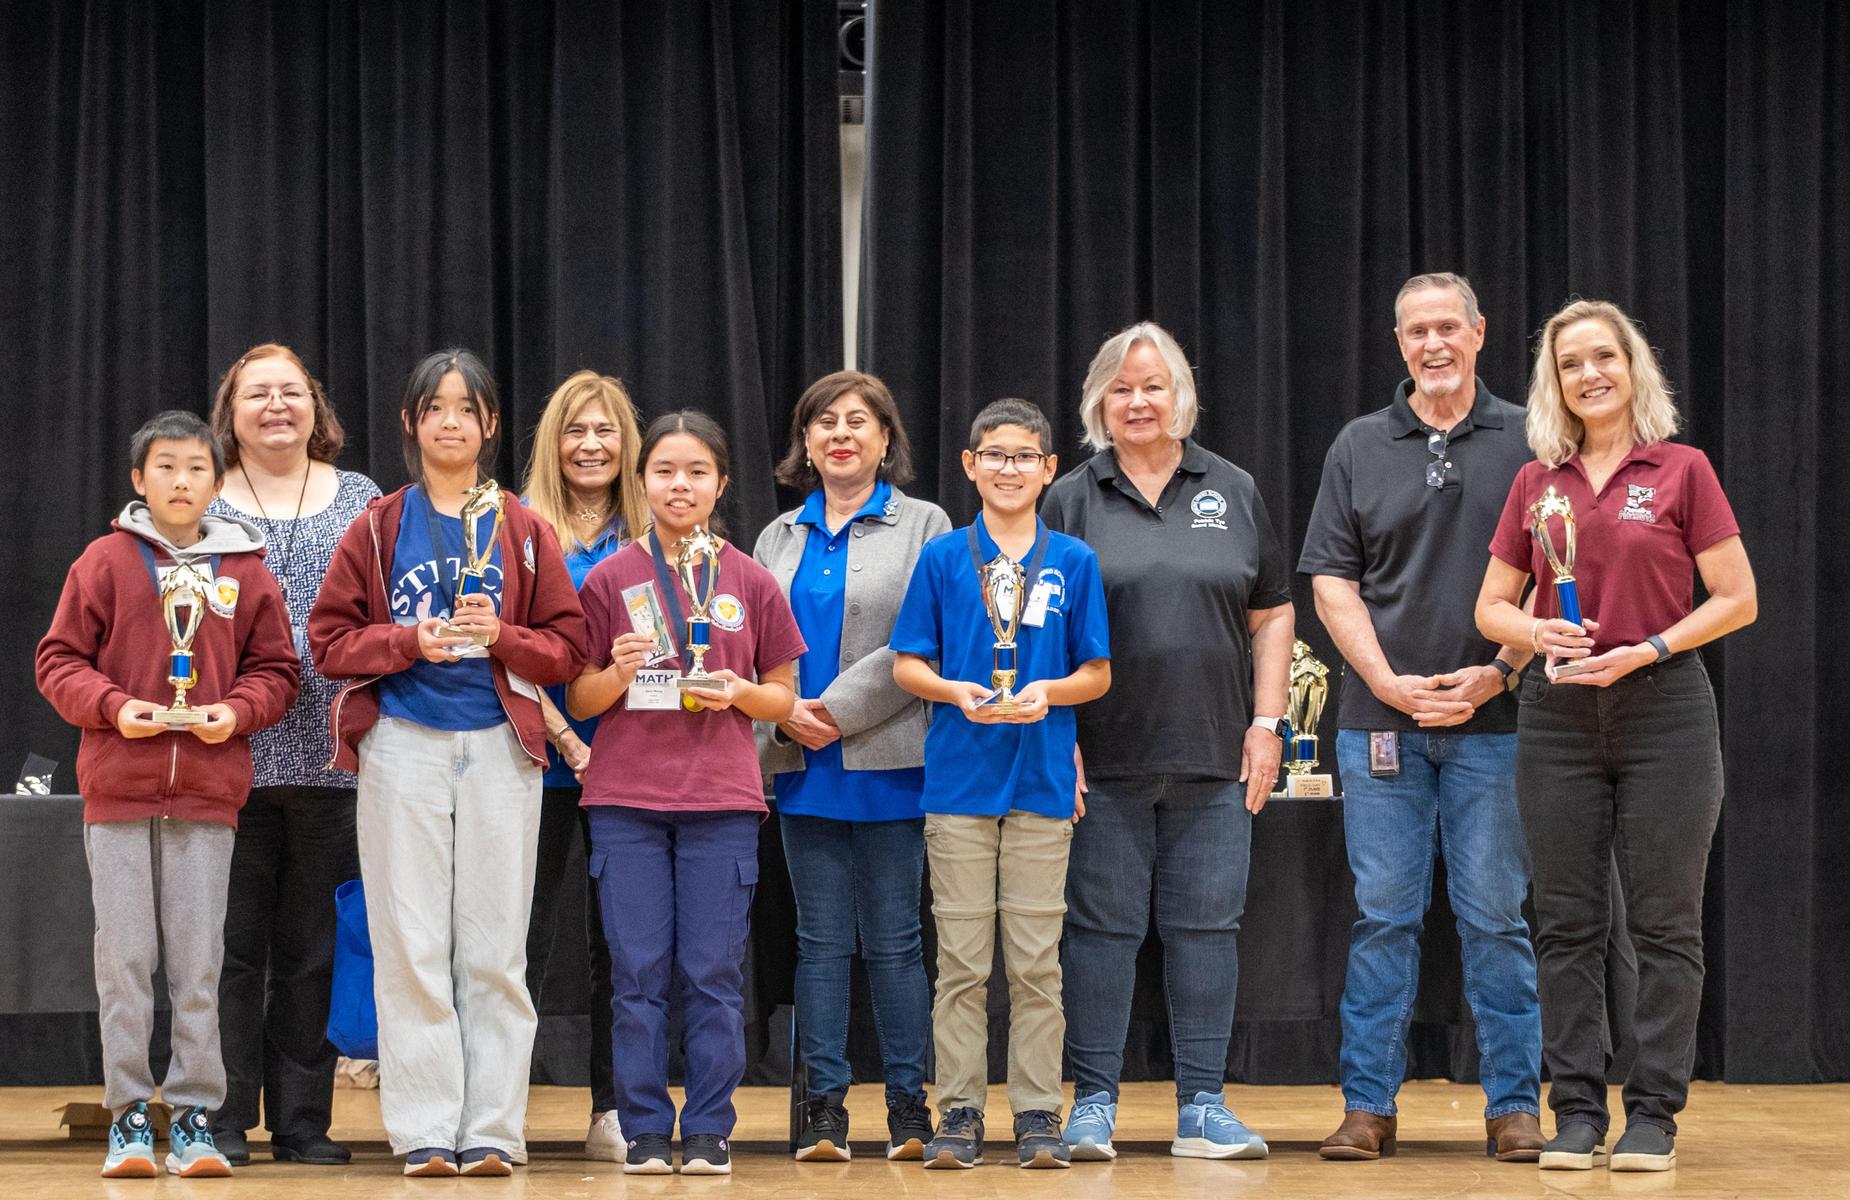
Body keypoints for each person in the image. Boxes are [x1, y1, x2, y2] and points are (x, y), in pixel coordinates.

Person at [1476, 299, 1755, 1173]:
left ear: (1634, 366)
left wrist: (1651, 647)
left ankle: (1655, 1115)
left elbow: (1738, 597)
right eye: (1570, 364)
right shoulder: (1536, 482)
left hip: (1666, 708)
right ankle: (1576, 1111)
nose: (1589, 374)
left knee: (1666, 925)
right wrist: (1533, 636)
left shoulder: (1681, 470)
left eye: (1604, 356)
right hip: (1557, 716)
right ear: (1551, 383)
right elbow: (1489, 606)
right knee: (1565, 923)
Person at [307, 349, 587, 1178]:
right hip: (403, 745)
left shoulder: (525, 528)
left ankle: (494, 1127)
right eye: (437, 408)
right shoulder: (379, 524)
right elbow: (328, 642)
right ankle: (427, 1126)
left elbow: (568, 650)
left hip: (503, 748)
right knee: (411, 943)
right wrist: (407, 640)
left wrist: (502, 635)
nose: (452, 422)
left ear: (491, 425)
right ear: (411, 422)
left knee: (496, 948)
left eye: (468, 408)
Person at [1298, 274, 1543, 1162]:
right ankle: (1368, 1108)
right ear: (1398, 342)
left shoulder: (1530, 438)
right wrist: (1390, 683)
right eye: (1415, 331)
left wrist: (1500, 671)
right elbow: (1331, 580)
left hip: (1500, 724)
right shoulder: (1360, 444)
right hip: (1380, 728)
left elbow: (1552, 577)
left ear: (1480, 332)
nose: (1432, 344)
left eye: (1448, 327)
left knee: (1496, 920)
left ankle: (1515, 1108)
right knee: (1383, 919)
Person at [1041, 322, 1292, 1161]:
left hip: (1217, 755)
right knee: (1100, 931)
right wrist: (1057, 737)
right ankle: (1094, 1105)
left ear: (1178, 394)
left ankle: (1204, 1108)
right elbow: (1038, 632)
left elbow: (1273, 613)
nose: (1138, 401)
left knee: (1207, 930)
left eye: (1152, 386)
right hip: (1101, 759)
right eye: (1120, 388)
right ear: (1099, 405)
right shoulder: (1070, 497)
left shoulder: (1235, 487)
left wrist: (1267, 724)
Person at [36, 410, 299, 1179]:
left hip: (207, 797)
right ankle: (127, 1116)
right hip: (118, 791)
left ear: (218, 482)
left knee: (197, 962)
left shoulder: (244, 568)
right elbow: (58, 661)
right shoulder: (105, 561)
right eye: (166, 467)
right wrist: (115, 706)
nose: (181, 482)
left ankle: (191, 1114)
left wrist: (235, 712)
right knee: (123, 960)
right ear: (137, 481)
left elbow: (276, 671)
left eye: (195, 469)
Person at [568, 411, 805, 1177]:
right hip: (627, 801)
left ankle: (707, 1127)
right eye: (665, 471)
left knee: (712, 974)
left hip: (722, 802)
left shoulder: (749, 578)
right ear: (642, 482)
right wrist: (621, 671)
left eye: (697, 471)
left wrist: (737, 689)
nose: (680, 485)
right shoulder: (610, 579)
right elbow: (579, 698)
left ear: (721, 483)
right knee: (637, 974)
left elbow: (783, 698)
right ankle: (642, 1127)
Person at [891, 397, 1111, 1171]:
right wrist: (957, 692)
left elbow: (1097, 672)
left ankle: (1038, 1113)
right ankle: (957, 1109)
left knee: (1035, 962)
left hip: (1045, 783)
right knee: (961, 962)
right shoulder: (946, 557)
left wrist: (1049, 692)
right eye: (996, 454)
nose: (1009, 468)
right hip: (957, 785)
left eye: (1025, 456)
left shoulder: (1074, 561)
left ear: (1050, 468)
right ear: (970, 465)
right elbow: (906, 663)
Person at [753, 371, 949, 1161]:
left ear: (884, 439)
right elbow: (755, 644)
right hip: (801, 767)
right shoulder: (777, 537)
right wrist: (786, 716)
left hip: (891, 763)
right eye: (825, 422)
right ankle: (824, 1110)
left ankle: (909, 1108)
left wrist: (828, 713)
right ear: (805, 441)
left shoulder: (926, 525)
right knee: (819, 943)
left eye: (858, 421)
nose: (841, 433)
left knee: (898, 942)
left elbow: (921, 639)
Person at [204, 344, 381, 1167]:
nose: (276, 406)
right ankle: (224, 1115)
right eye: (256, 394)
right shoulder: (196, 501)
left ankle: (305, 1118)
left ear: (316, 406)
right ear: (229, 412)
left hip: (335, 764)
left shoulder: (362, 498)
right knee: (231, 951)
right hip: (225, 759)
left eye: (291, 392)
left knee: (314, 949)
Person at [519, 369, 649, 1160]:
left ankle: (614, 1106)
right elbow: (504, 659)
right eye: (575, 430)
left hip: (632, 771)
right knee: (518, 940)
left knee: (622, 947)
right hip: (530, 763)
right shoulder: (514, 528)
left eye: (605, 431)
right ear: (551, 442)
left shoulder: (661, 537)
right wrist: (569, 741)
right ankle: (499, 1103)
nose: (591, 445)